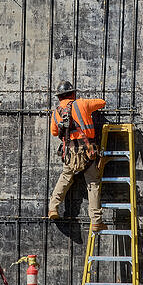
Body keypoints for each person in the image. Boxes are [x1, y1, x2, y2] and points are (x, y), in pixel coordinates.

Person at [48, 80, 106, 231]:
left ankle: (53, 208)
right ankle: (96, 221)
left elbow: (54, 132)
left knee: (65, 178)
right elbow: (102, 102)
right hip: (87, 151)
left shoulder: (56, 112)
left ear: (59, 97)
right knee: (93, 184)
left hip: (69, 152)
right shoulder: (82, 104)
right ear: (73, 93)